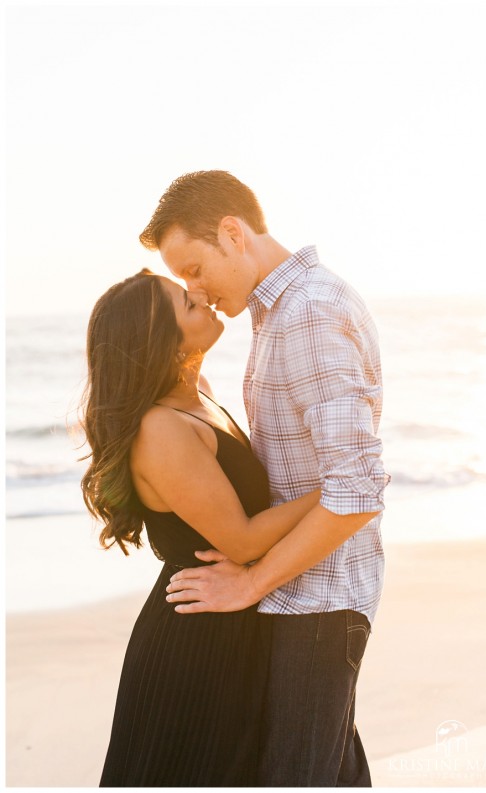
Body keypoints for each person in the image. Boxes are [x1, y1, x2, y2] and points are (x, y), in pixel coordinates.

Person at [139, 170, 390, 787]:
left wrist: (251, 582)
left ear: (232, 233)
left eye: (195, 268)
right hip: (306, 592)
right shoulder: (279, 310)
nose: (193, 288)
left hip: (319, 597)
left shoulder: (308, 311)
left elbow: (357, 489)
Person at [80, 269, 324, 786]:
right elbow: (242, 538)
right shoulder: (160, 428)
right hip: (199, 637)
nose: (200, 297)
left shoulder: (200, 395)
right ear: (164, 343)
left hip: (234, 612)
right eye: (185, 304)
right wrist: (336, 491)